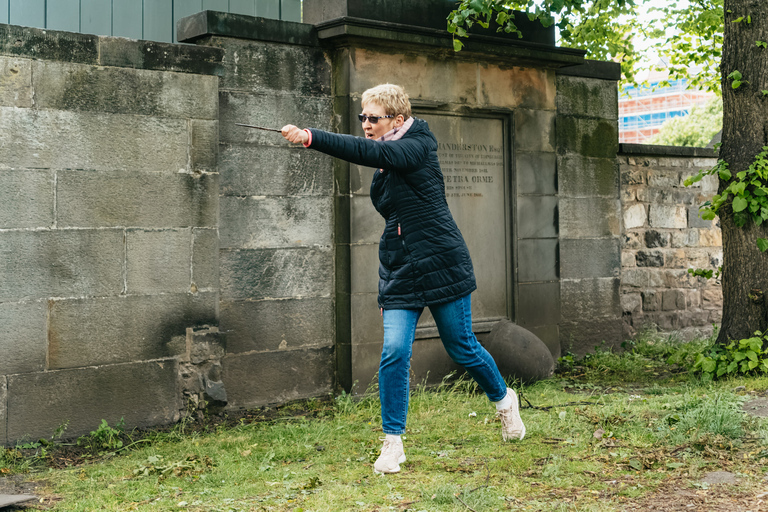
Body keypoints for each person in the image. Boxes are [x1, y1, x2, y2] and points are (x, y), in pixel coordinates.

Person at [281, 83, 525, 474]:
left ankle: (504, 401)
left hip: (441, 261)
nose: (365, 124)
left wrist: (311, 137)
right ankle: (392, 443)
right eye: (362, 117)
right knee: (394, 350)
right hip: (400, 268)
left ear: (397, 119)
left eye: (372, 118)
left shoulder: (418, 144)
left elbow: (374, 152)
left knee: (461, 347)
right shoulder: (386, 159)